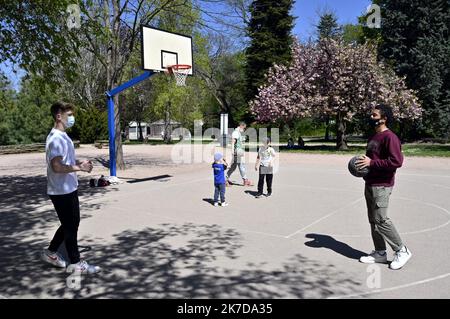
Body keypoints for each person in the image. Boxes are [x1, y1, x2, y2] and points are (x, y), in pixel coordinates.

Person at [43, 101, 100, 274]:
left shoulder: (63, 136)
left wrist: (79, 163)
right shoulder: (55, 139)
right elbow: (57, 167)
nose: (72, 118)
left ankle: (51, 252)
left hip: (68, 188)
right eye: (69, 114)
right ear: (59, 116)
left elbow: (65, 162)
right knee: (70, 225)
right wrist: (79, 168)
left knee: (70, 223)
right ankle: (75, 263)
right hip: (61, 191)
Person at [356, 104, 412, 270]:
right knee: (373, 221)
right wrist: (363, 167)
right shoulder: (373, 137)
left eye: (374, 115)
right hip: (370, 182)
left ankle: (402, 250)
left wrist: (371, 162)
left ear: (384, 118)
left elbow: (396, 161)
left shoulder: (390, 137)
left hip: (382, 185)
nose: (371, 117)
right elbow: (370, 159)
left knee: (381, 219)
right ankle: (380, 253)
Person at [226, 122, 252, 186]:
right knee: (241, 165)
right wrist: (232, 151)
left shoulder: (238, 132)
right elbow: (233, 142)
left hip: (238, 151)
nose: (244, 130)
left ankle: (225, 179)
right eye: (244, 128)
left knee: (233, 166)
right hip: (237, 151)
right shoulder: (236, 133)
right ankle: (245, 180)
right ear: (241, 126)